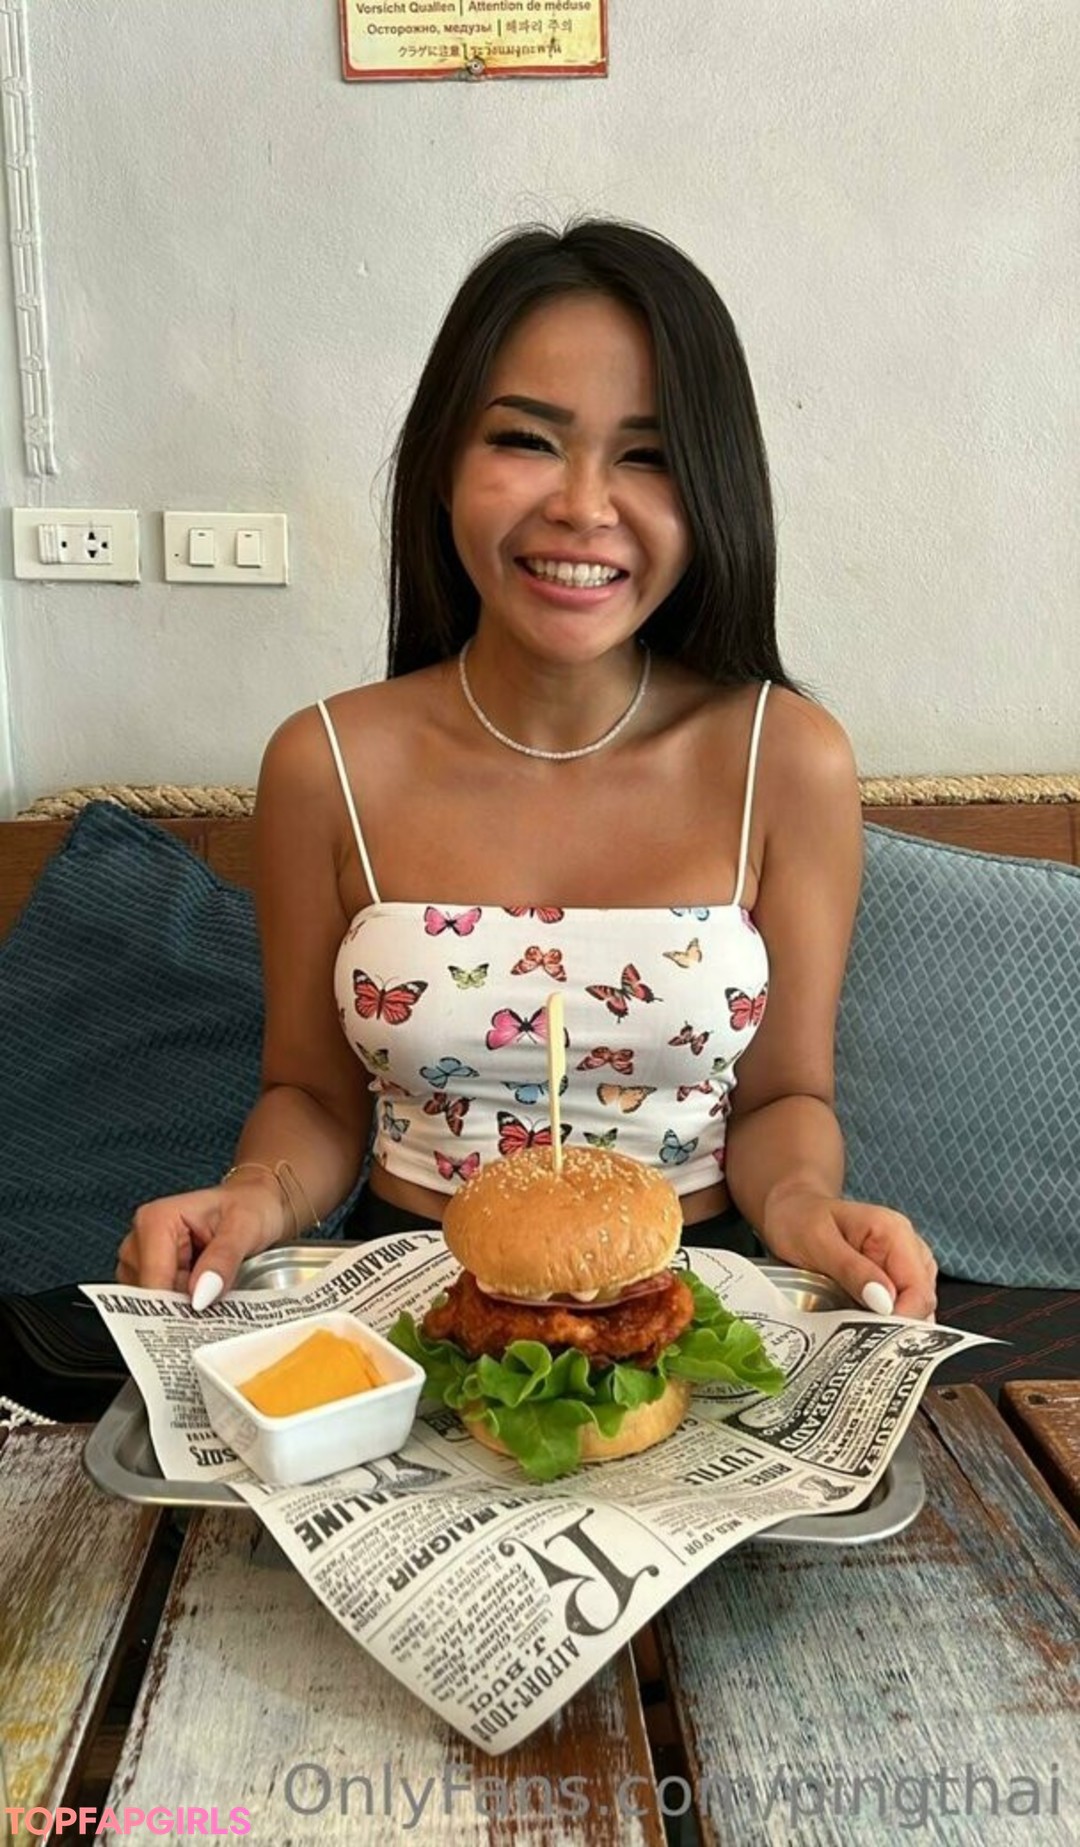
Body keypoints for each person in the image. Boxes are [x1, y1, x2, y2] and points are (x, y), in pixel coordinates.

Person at [117, 219, 937, 1322]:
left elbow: (786, 1095)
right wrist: (254, 1197)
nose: (583, 507)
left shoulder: (785, 759)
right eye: (526, 440)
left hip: (690, 1298)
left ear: (712, 490)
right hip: (410, 1305)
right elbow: (310, 1094)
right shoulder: (326, 763)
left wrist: (803, 1206)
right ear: (444, 463)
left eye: (647, 455)